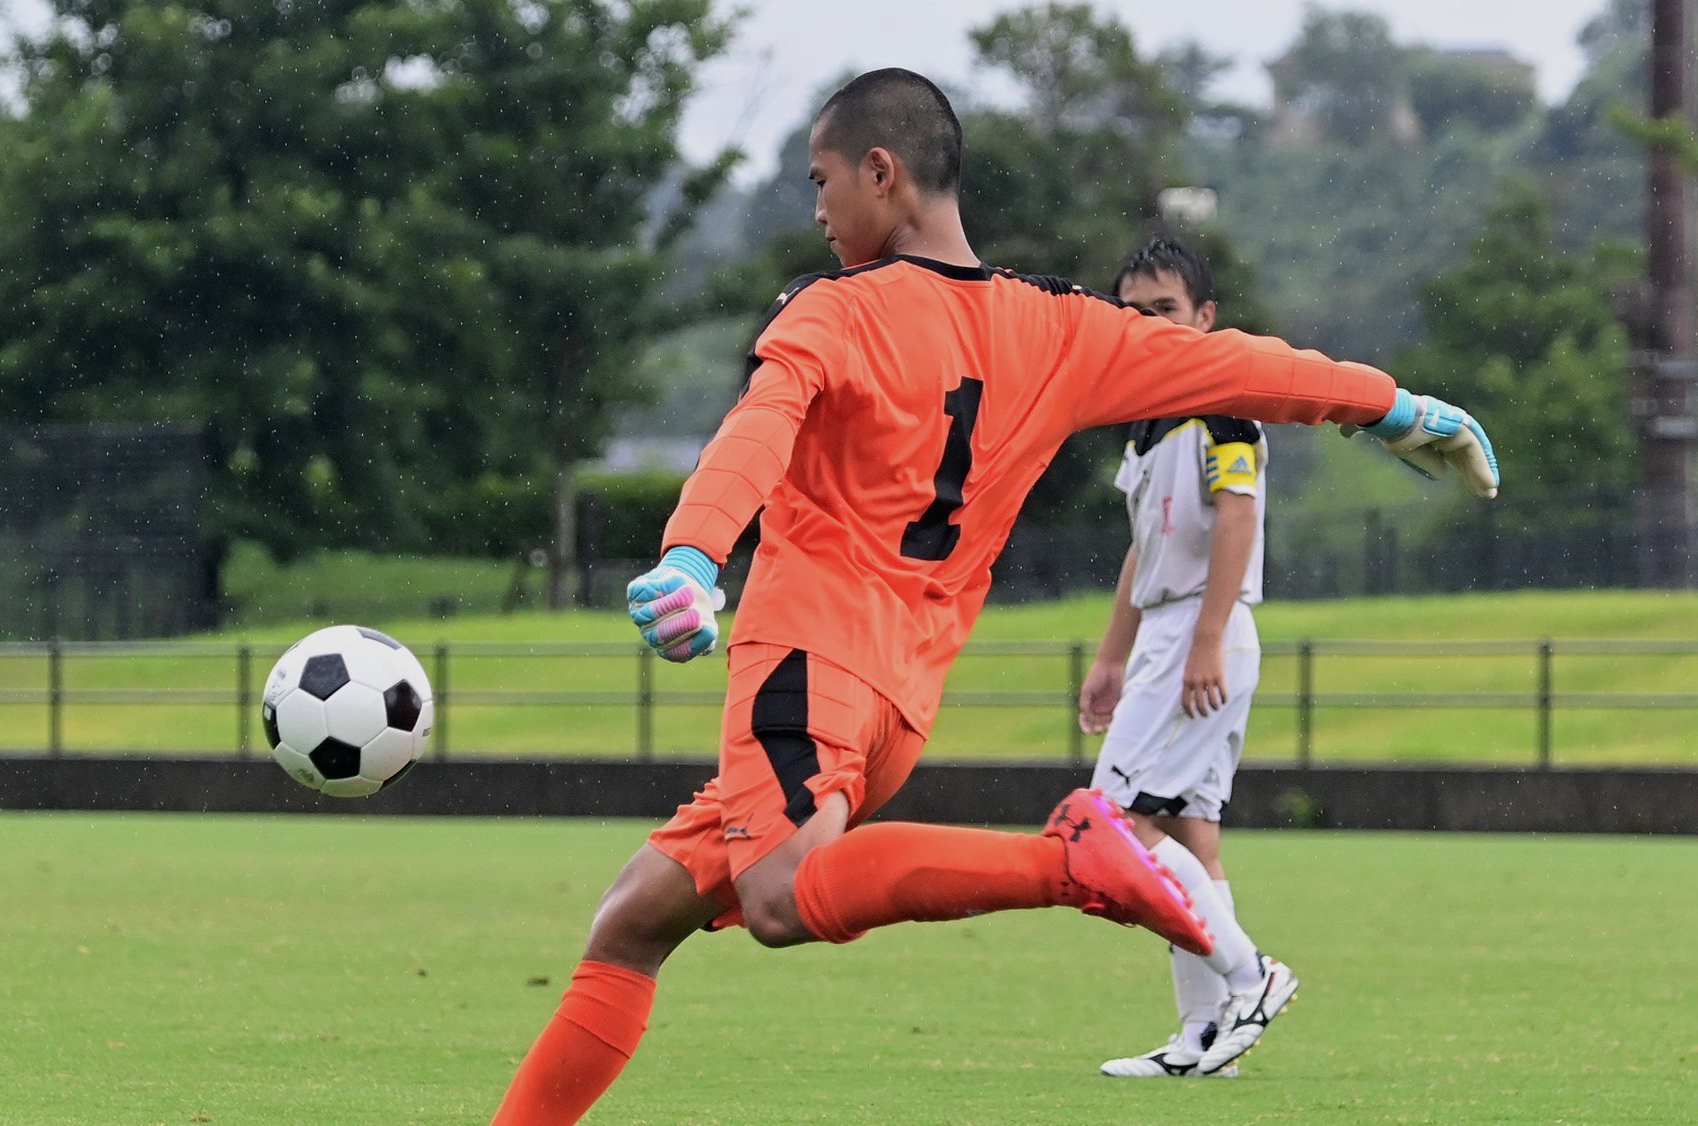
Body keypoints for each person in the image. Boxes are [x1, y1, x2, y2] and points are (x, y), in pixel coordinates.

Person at [487, 69, 1498, 1126]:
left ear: (881, 173)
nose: (818, 210)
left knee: (783, 898)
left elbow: (755, 428)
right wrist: (1390, 406)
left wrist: (692, 556)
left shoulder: (831, 311)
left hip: (803, 663)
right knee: (633, 919)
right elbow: (1235, 369)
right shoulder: (1058, 328)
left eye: (822, 181)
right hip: (898, 707)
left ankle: (1064, 859)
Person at [1080, 237, 1286, 1079]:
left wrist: (1202, 640)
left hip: (1206, 632)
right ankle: (1206, 1039)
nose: (1146, 326)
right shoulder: (1145, 422)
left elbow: (1235, 515)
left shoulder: (1224, 403)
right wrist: (1109, 656)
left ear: (1205, 318)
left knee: (1110, 826)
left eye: (1163, 310)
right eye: (1130, 312)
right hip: (1170, 635)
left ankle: (1252, 976)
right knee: (1191, 833)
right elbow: (1143, 549)